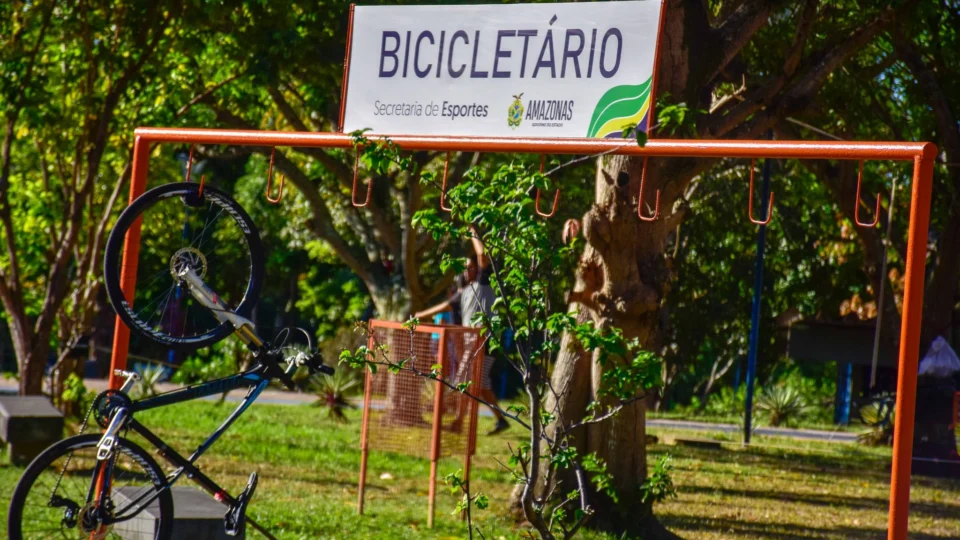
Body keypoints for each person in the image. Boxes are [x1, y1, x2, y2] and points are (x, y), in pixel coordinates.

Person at [415, 231, 509, 435]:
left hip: (483, 341)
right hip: (472, 343)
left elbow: (482, 255)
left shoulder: (483, 285)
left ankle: (458, 422)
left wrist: (474, 233)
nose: (466, 271)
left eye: (470, 267)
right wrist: (420, 315)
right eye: (465, 268)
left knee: (464, 380)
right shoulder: (465, 292)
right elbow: (445, 306)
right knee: (481, 384)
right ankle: (500, 420)